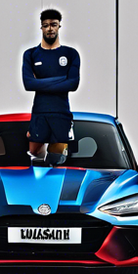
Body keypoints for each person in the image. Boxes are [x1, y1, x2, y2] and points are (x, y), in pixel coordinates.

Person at [22, 9, 80, 166]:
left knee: (57, 161)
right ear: (41, 27)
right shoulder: (31, 54)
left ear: (59, 26)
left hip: (61, 114)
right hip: (39, 113)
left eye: (53, 24)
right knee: (36, 158)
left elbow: (73, 84)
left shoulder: (71, 54)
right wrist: (62, 80)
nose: (50, 28)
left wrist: (41, 83)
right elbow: (28, 84)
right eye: (46, 25)